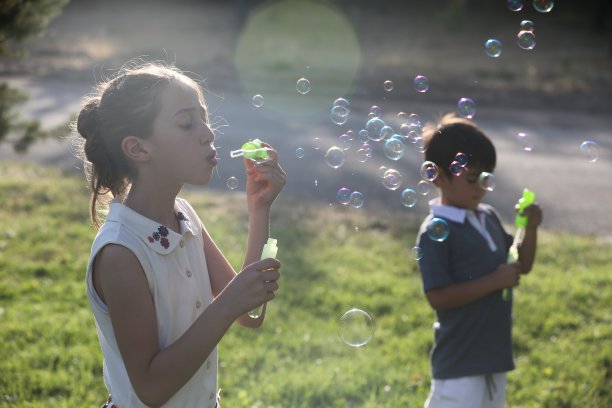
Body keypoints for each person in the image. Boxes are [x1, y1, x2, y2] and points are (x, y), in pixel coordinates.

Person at [72, 61, 286, 407]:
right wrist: (227, 304)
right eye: (187, 123)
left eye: (204, 117)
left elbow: (248, 312)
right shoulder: (121, 253)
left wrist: (260, 208)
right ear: (138, 149)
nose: (208, 132)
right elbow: (151, 389)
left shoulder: (185, 216)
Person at [415, 113, 543, 408]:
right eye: (472, 179)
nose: (481, 188)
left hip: (494, 357)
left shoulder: (488, 217)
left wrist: (530, 229)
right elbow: (437, 297)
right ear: (438, 176)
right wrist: (493, 282)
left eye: (486, 178)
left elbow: (521, 264)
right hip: (459, 363)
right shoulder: (435, 232)